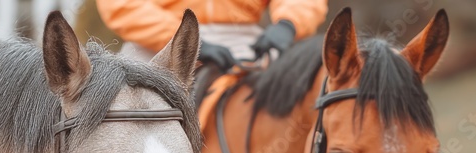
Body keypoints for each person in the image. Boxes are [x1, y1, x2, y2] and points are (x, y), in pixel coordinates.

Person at [96, 0, 327, 69]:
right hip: (159, 40)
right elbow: (122, 5)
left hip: (244, 37)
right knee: (121, 102)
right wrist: (188, 42)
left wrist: (288, 23)